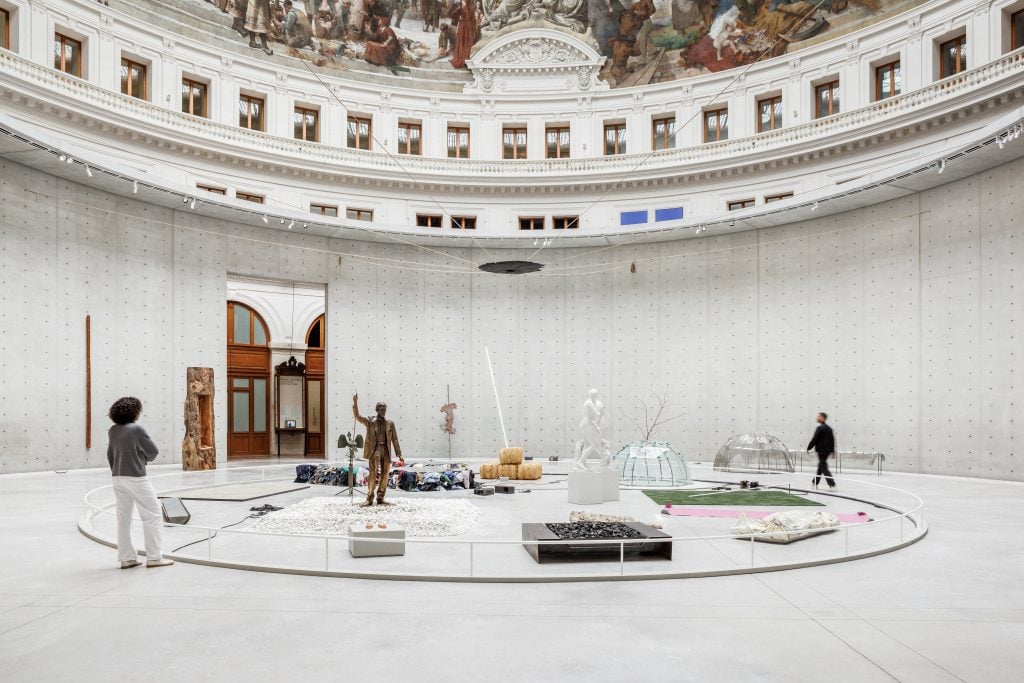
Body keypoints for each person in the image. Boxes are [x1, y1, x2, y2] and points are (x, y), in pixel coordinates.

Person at [106, 397, 173, 569]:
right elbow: (153, 451)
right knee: (153, 514)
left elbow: (110, 455)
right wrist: (143, 459)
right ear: (134, 412)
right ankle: (154, 558)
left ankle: (127, 558)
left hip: (117, 477)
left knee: (123, 518)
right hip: (136, 477)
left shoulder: (113, 430)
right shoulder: (136, 429)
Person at [352, 394, 402, 506]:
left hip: (386, 450)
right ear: (376, 409)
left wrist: (399, 454)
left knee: (385, 474)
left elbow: (395, 439)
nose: (383, 410)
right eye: (381, 408)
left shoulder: (390, 422)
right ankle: (369, 498)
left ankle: (380, 497)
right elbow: (358, 416)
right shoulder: (370, 421)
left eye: (384, 408)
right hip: (375, 450)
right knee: (373, 473)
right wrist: (355, 403)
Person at [807, 411, 836, 490]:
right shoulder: (829, 429)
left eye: (819, 416)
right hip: (827, 451)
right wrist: (833, 451)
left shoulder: (819, 428)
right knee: (821, 466)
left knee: (823, 467)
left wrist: (809, 447)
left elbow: (814, 439)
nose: (817, 418)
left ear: (823, 418)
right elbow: (832, 440)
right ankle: (815, 482)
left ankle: (832, 484)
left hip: (821, 451)